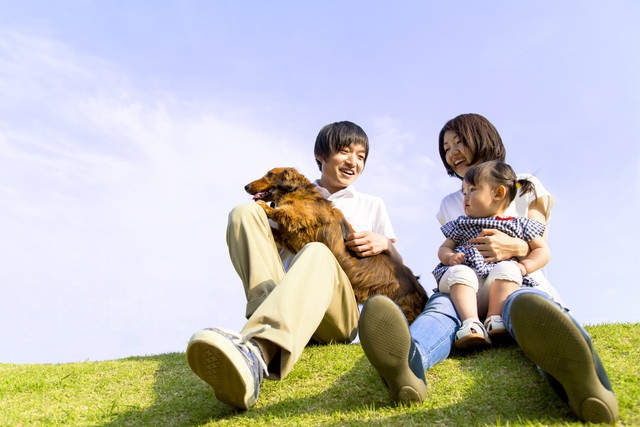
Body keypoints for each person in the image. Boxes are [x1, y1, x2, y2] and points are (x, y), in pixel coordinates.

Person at [358, 113, 619, 423]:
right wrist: (450, 259)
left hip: (514, 280)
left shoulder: (524, 185)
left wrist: (516, 249)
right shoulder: (449, 204)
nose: (452, 153)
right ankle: (408, 365)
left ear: (482, 138)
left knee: (530, 309)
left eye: (459, 142)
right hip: (465, 286)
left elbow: (537, 242)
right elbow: (449, 248)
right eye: (446, 148)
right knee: (440, 310)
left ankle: (584, 383)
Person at [186, 120, 403, 410]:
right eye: (344, 152)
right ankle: (266, 323)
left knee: (317, 251)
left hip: (336, 315)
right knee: (243, 213)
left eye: (361, 156)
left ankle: (257, 353)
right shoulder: (286, 194)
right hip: (284, 296)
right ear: (321, 156)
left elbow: (396, 268)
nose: (353, 162)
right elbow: (262, 243)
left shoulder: (371, 204)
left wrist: (386, 244)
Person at [433, 161, 550, 349]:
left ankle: (494, 318)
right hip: (464, 286)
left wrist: (525, 266)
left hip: (495, 286)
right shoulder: (462, 223)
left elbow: (542, 250)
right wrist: (449, 258)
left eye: (472, 190)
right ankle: (470, 323)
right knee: (462, 272)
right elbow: (444, 248)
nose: (465, 198)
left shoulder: (518, 224)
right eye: (464, 192)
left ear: (498, 193)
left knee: (509, 268)